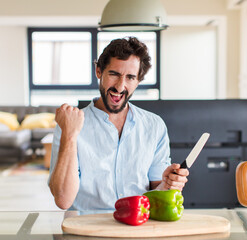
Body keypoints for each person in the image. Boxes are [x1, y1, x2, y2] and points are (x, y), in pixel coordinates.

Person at [48, 37, 189, 211]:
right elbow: (63, 200)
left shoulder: (154, 126)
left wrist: (168, 184)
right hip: (87, 230)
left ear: (138, 81)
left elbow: (156, 190)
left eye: (130, 77)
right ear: (99, 71)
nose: (120, 86)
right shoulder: (70, 125)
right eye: (114, 74)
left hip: (138, 227)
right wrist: (70, 135)